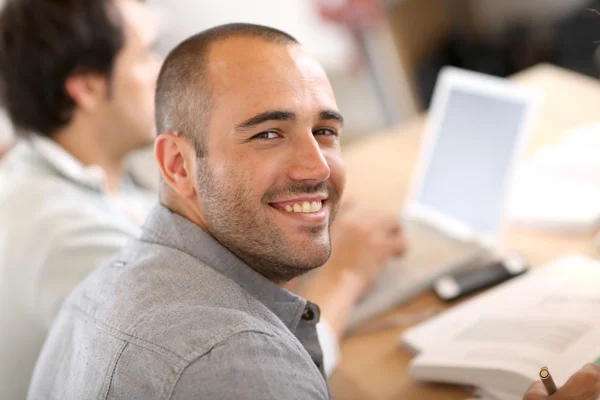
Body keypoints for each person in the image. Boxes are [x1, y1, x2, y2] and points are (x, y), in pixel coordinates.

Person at [27, 21, 600, 399]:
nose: (318, 166)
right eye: (269, 133)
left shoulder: (110, 281)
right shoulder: (232, 360)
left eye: (324, 129)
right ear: (178, 165)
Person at [0, 0, 161, 398]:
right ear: (87, 87)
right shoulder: (70, 236)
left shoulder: (83, 177)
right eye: (145, 56)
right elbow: (217, 374)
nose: (163, 73)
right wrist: (342, 276)